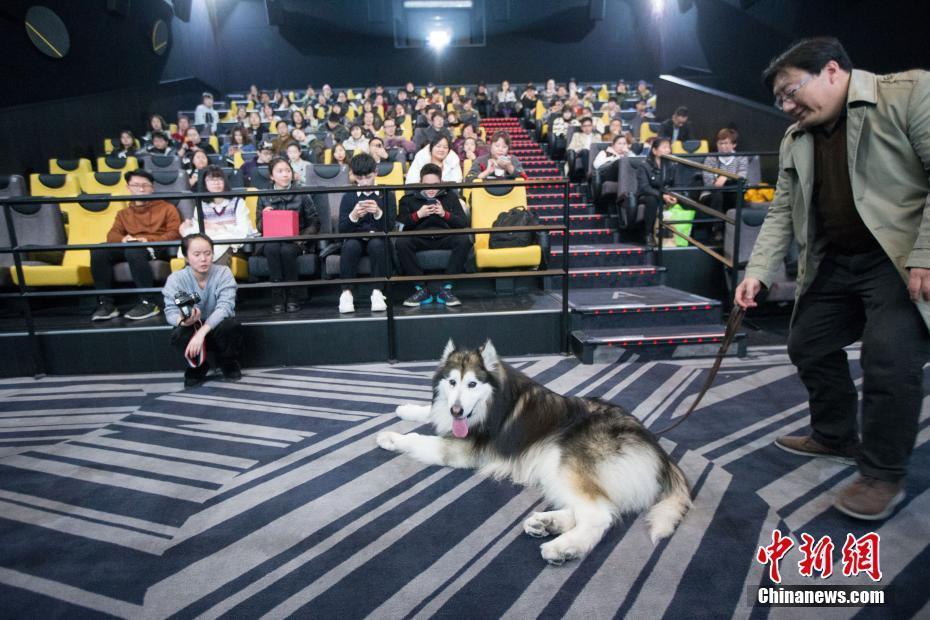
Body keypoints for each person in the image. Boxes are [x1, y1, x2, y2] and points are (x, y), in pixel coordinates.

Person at [735, 37, 930, 520]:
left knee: (889, 359)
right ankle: (835, 436)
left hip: (897, 259)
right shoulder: (795, 139)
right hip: (837, 261)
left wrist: (927, 252)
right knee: (807, 343)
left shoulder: (909, 93)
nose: (786, 107)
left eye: (790, 91)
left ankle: (882, 474)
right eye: (779, 100)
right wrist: (757, 272)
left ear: (832, 71)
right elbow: (781, 211)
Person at [90, 169, 181, 321]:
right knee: (99, 251)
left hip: (156, 245)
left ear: (152, 188)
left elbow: (175, 232)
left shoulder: (167, 208)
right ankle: (107, 304)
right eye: (136, 185)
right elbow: (112, 235)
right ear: (128, 187)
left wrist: (149, 240)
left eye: (145, 185)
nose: (141, 189)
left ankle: (149, 302)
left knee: (134, 251)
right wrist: (123, 240)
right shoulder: (123, 213)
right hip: (130, 246)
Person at [163, 233, 242, 387]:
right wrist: (183, 320)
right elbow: (170, 311)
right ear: (186, 257)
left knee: (230, 326)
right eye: (197, 254)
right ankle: (198, 366)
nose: (203, 259)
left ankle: (227, 362)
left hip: (216, 326)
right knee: (179, 333)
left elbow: (225, 307)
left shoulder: (223, 273)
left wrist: (202, 332)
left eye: (207, 253)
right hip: (192, 326)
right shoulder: (175, 279)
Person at [396, 163, 471, 308]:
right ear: (420, 183)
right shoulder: (408, 199)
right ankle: (422, 290)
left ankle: (446, 289)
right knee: (401, 242)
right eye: (426, 185)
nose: (431, 189)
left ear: (441, 183)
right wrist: (418, 215)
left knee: (464, 239)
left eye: (435, 184)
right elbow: (400, 226)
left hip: (444, 237)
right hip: (420, 238)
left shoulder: (450, 196)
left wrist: (444, 214)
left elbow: (463, 223)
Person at [256, 157, 320, 313]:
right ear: (271, 176)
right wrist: (264, 217)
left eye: (287, 171)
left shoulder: (302, 193)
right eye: (280, 171)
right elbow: (258, 226)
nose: (285, 174)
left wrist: (300, 237)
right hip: (273, 239)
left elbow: (315, 222)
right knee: (271, 248)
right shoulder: (264, 194)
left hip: (296, 241)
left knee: (286, 250)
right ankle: (277, 296)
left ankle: (292, 296)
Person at [337, 153, 392, 314]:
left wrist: (378, 213)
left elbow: (390, 226)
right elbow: (342, 230)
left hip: (378, 238)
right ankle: (346, 293)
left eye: (367, 177)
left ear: (375, 172)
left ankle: (377, 292)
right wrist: (353, 216)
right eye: (359, 178)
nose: (364, 182)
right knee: (351, 245)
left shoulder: (387, 194)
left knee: (377, 243)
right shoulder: (348, 197)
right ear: (353, 176)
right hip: (355, 236)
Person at [180, 166, 254, 266]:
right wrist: (185, 229)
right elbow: (197, 232)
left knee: (217, 260)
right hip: (207, 245)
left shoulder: (238, 202)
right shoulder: (201, 205)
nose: (216, 182)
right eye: (211, 180)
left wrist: (220, 227)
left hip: (231, 246)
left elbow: (245, 231)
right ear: (205, 184)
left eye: (219, 179)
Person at [635, 136, 677, 248]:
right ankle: (649, 234)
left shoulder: (672, 165)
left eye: (668, 148)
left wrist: (673, 195)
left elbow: (675, 184)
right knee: (652, 200)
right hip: (648, 195)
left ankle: (682, 236)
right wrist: (662, 196)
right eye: (664, 148)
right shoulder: (644, 165)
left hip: (666, 194)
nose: (667, 150)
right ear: (654, 151)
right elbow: (644, 187)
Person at [700, 128, 749, 216]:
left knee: (737, 196)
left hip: (732, 191)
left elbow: (742, 178)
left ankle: (735, 227)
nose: (723, 146)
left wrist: (725, 177)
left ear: (734, 144)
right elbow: (708, 182)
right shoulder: (710, 158)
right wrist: (723, 182)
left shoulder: (741, 158)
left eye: (726, 143)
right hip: (712, 193)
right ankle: (716, 227)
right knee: (717, 196)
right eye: (720, 143)